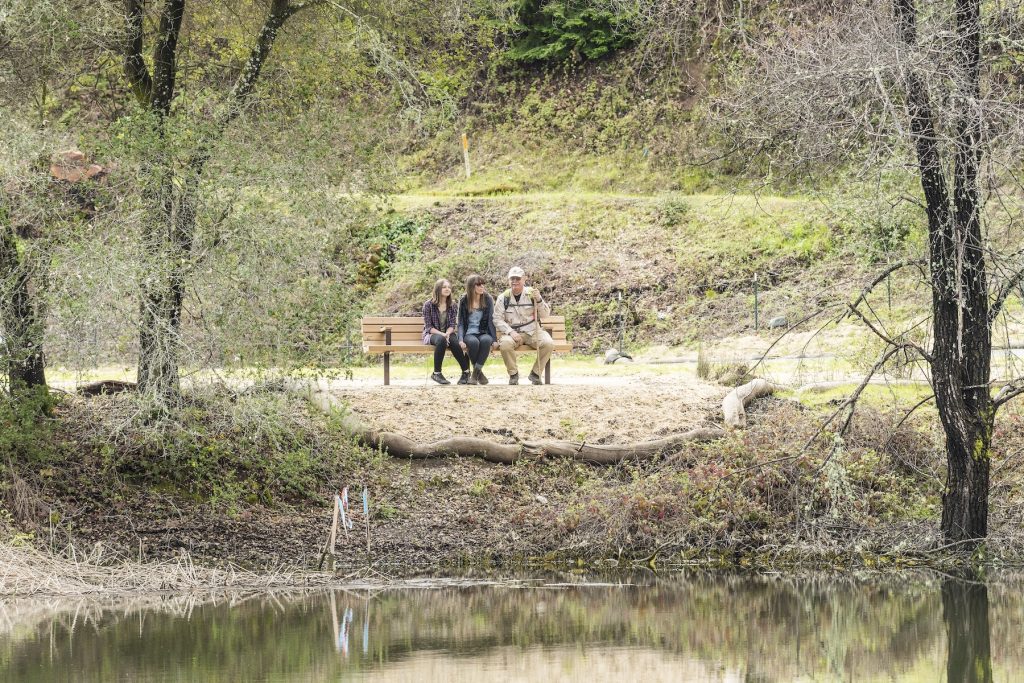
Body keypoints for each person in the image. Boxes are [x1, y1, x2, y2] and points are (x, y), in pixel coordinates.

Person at [495, 266, 553, 385]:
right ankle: (513, 375)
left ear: (524, 279)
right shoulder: (503, 298)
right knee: (505, 345)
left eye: (518, 278)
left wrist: (539, 300)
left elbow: (545, 314)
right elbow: (497, 319)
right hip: (512, 333)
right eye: (512, 279)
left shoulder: (532, 294)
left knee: (548, 343)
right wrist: (510, 332)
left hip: (532, 331)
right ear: (508, 280)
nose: (515, 281)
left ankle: (535, 374)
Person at [422, 279, 470, 385]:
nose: (447, 289)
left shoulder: (452, 305)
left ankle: (466, 372)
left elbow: (452, 325)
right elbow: (429, 327)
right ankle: (437, 373)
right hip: (432, 334)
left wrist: (447, 333)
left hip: (447, 333)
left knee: (454, 342)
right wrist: (443, 335)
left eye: (449, 287)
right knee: (441, 340)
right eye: (444, 287)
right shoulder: (428, 305)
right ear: (438, 289)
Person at [457, 274, 497, 385]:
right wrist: (460, 339)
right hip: (469, 333)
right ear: (471, 286)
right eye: (478, 284)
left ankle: (474, 374)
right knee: (473, 342)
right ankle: (479, 373)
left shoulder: (487, 299)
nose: (482, 287)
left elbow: (490, 320)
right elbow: (460, 322)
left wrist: (494, 339)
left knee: (486, 341)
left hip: (483, 331)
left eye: (483, 284)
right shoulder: (464, 300)